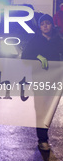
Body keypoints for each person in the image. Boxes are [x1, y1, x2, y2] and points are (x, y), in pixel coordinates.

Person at [22, 14, 63, 151]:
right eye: (42, 24)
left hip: (55, 82)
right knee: (40, 110)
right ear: (40, 26)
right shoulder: (35, 40)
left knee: (49, 111)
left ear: (52, 25)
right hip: (39, 80)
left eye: (48, 23)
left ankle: (44, 135)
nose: (45, 26)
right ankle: (42, 139)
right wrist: (37, 56)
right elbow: (24, 58)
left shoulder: (59, 40)